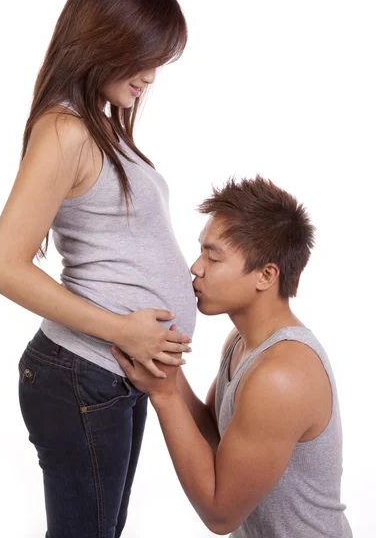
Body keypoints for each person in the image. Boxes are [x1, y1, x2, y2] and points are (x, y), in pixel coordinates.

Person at [0, 0, 195, 538]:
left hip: (110, 375)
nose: (151, 75)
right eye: (146, 56)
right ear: (106, 39)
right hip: (82, 372)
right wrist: (123, 329)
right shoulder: (65, 130)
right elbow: (1, 267)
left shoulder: (100, 125)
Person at [113, 175, 353, 537]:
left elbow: (220, 515)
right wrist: (168, 372)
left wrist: (163, 395)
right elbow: (216, 438)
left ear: (266, 275)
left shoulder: (282, 375)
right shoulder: (240, 343)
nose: (196, 267)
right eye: (201, 251)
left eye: (213, 256)